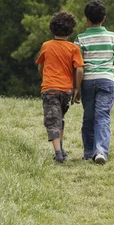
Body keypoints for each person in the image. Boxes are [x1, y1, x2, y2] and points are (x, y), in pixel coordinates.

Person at [73, 0, 114, 164]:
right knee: (102, 116)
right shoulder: (112, 36)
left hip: (87, 81)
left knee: (88, 117)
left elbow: (76, 65)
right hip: (106, 80)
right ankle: (100, 151)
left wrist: (76, 88)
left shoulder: (80, 39)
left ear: (87, 19)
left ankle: (88, 152)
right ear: (104, 18)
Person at [36, 11, 84, 163]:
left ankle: (58, 154)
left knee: (52, 120)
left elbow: (40, 66)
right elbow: (80, 69)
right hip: (66, 90)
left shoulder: (46, 46)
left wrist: (45, 78)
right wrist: (76, 88)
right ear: (71, 31)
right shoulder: (73, 48)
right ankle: (61, 149)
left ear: (52, 28)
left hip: (50, 89)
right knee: (60, 118)